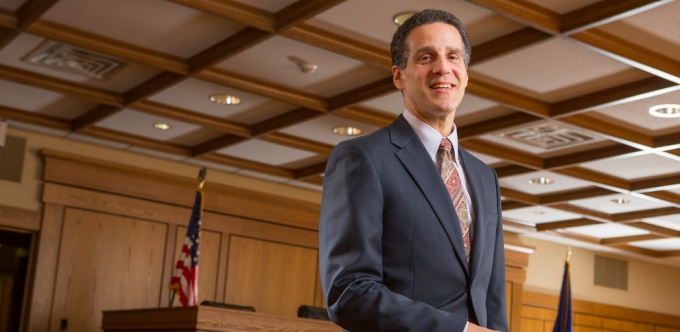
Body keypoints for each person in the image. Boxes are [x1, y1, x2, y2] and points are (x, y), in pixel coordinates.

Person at [318, 8, 508, 332]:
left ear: (466, 71)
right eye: (425, 57)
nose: (442, 68)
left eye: (453, 57)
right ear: (398, 76)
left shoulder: (485, 178)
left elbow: (493, 301)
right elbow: (349, 292)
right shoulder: (362, 159)